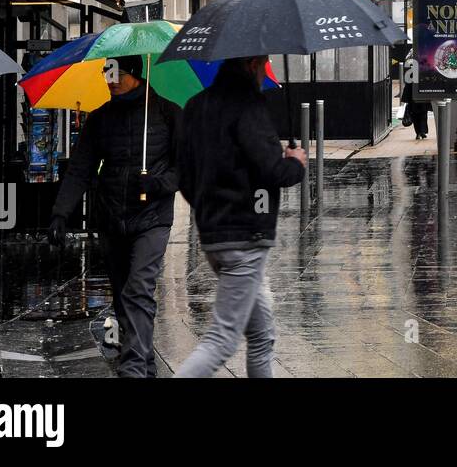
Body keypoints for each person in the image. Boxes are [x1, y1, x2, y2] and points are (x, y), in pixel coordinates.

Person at [47, 54, 180, 377]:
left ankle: (133, 368)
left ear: (135, 74)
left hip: (152, 217)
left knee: (139, 288)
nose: (111, 81)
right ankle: (145, 362)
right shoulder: (101, 118)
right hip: (110, 217)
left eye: (117, 74)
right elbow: (81, 168)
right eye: (107, 74)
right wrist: (60, 213)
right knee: (124, 296)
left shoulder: (168, 114)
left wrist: (159, 183)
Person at [175, 56, 306, 378]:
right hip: (245, 237)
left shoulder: (195, 106)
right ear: (251, 64)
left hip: (214, 235)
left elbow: (185, 175)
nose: (266, 70)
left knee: (262, 335)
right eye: (264, 63)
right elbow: (273, 171)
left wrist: (208, 209)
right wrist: (296, 162)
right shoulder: (249, 107)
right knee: (222, 339)